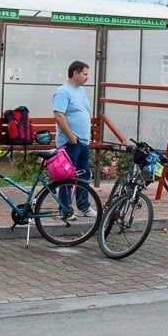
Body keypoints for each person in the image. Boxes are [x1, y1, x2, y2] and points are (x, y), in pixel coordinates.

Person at [53, 60, 95, 218]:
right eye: (85, 74)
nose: (87, 77)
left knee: (84, 174)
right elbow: (58, 115)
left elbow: (85, 110)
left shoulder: (81, 90)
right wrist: (70, 136)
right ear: (75, 73)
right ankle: (65, 209)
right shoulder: (63, 92)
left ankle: (84, 206)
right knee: (67, 176)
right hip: (70, 142)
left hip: (83, 141)